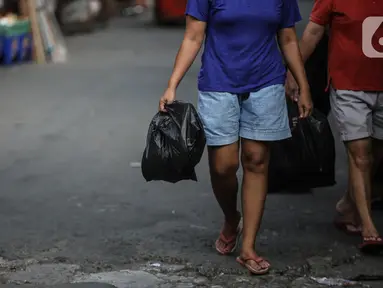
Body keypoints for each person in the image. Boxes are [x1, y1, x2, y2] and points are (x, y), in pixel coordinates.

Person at [159, 0, 312, 274]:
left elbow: (288, 38)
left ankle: (249, 247)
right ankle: (232, 218)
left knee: (256, 160)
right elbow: (193, 36)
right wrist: (172, 85)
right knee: (223, 166)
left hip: (266, 83)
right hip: (218, 84)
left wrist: (303, 84)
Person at [285, 0, 383, 253]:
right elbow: (313, 32)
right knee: (361, 155)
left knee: (375, 155)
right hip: (349, 86)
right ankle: (368, 227)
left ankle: (349, 206)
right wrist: (294, 73)